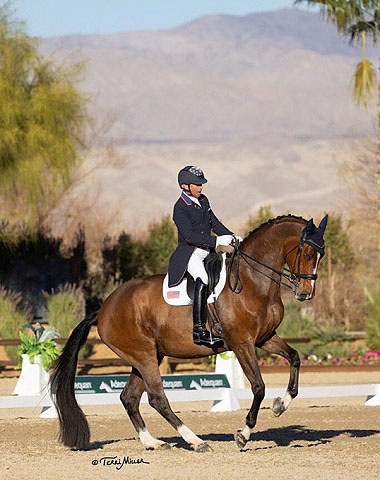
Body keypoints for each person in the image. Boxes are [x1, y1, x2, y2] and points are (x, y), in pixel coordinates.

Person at [167, 166, 243, 346]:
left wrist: (231, 236)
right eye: (197, 184)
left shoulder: (204, 200)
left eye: (202, 184)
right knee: (203, 278)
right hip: (190, 252)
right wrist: (217, 242)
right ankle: (199, 330)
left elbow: (214, 223)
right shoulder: (180, 208)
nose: (201, 187)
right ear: (185, 186)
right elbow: (190, 236)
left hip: (207, 251)